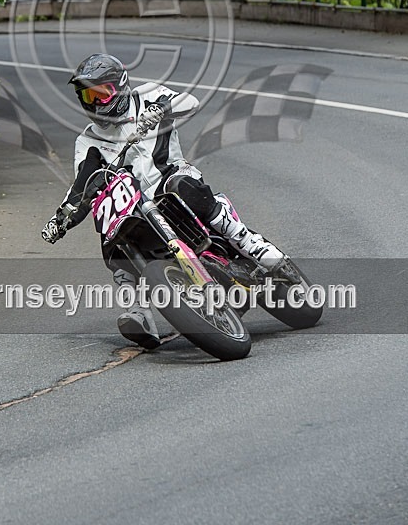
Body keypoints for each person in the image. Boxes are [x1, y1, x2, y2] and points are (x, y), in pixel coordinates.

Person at [41, 54, 288, 349]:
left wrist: (161, 110)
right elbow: (82, 184)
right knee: (108, 223)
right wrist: (62, 218)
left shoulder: (149, 95)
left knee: (179, 186)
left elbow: (190, 102)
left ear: (119, 87)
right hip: (135, 205)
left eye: (100, 93)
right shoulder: (88, 140)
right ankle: (137, 309)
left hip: (169, 180)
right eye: (87, 95)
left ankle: (248, 242)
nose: (94, 102)